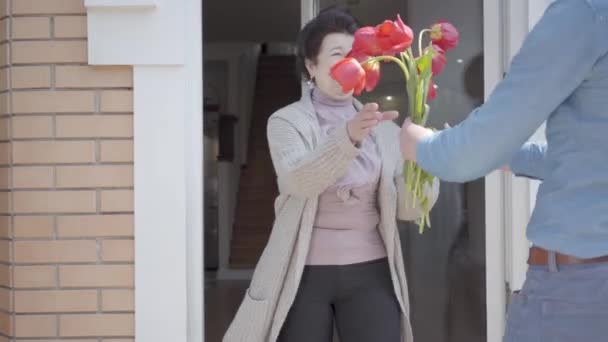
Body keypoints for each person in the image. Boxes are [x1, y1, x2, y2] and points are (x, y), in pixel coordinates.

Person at [223, 7, 439, 342]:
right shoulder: (286, 122)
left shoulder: (383, 130)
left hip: (372, 272)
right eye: (337, 54)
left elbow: (411, 211)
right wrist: (349, 136)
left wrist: (423, 159)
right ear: (311, 66)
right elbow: (299, 181)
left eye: (356, 55)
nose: (349, 64)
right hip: (302, 274)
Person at [399, 1, 608, 341]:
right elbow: (591, 154)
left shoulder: (585, 12)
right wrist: (510, 156)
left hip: (578, 294)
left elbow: (470, 154)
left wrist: (420, 146)